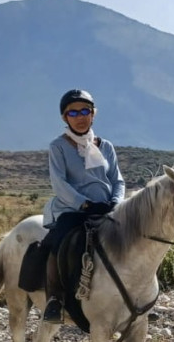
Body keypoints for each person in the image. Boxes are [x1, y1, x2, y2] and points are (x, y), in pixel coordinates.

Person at [40, 89, 125, 322]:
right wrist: (84, 204)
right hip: (73, 209)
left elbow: (117, 179)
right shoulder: (58, 146)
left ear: (93, 114)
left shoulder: (105, 145)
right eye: (73, 112)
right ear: (64, 118)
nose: (80, 116)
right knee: (58, 242)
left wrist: (115, 202)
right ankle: (55, 299)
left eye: (85, 110)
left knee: (135, 239)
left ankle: (137, 296)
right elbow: (59, 183)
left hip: (107, 208)